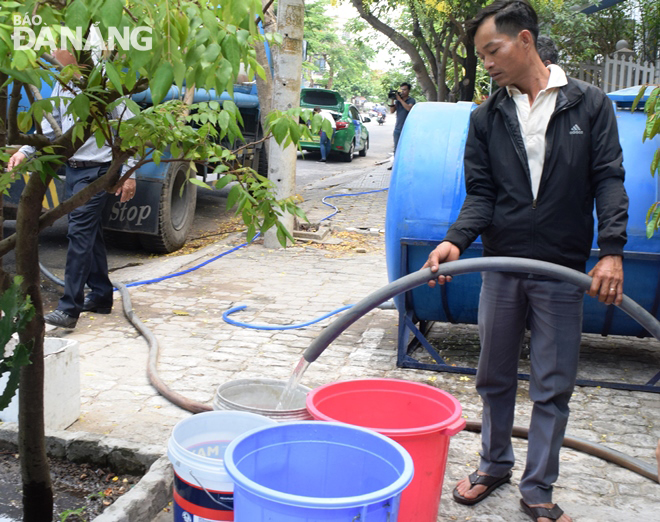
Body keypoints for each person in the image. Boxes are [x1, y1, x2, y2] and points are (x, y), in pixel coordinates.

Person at [423, 1, 628, 521]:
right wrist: (455, 241)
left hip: (562, 269)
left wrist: (611, 252)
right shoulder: (486, 117)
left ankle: (539, 486)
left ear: (525, 42)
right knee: (493, 374)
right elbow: (482, 194)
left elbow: (608, 179)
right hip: (500, 265)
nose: (486, 63)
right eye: (481, 55)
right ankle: (494, 463)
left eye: (492, 50)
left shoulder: (589, 105)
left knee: (553, 383)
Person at [7, 49, 137, 329]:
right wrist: (26, 151)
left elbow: (127, 128)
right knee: (90, 235)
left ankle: (69, 309)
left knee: (79, 233)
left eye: (58, 47)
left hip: (100, 171)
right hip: (75, 169)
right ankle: (101, 296)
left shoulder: (103, 80)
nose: (53, 53)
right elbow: (51, 128)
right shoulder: (60, 82)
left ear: (76, 49)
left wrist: (128, 174)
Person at [388, 82, 416, 154]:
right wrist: (392, 99)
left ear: (409, 91)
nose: (402, 92)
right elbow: (392, 111)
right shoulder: (398, 101)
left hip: (408, 129)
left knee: (407, 149)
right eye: (401, 90)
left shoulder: (411, 100)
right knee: (396, 149)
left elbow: (408, 108)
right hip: (398, 128)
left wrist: (400, 99)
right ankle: (396, 164)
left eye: (404, 90)